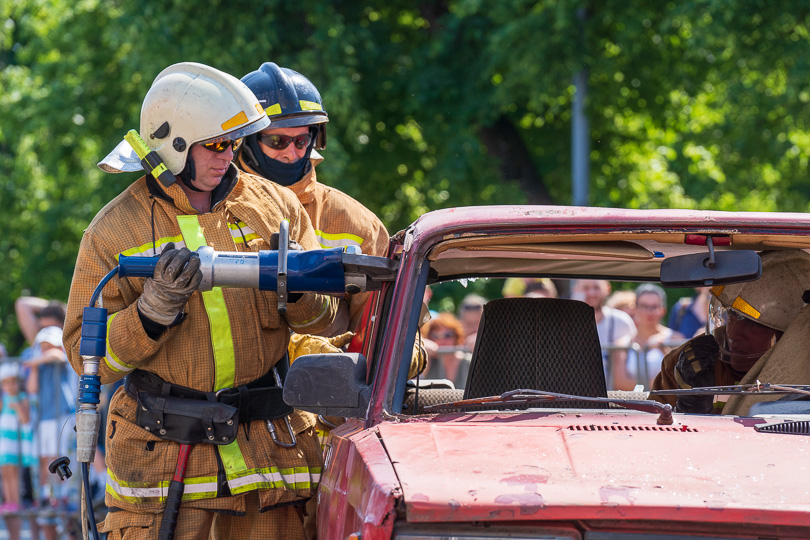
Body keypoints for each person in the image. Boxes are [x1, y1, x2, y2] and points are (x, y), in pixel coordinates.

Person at [64, 62, 340, 539]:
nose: (227, 156)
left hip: (267, 462)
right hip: (165, 463)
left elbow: (324, 317)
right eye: (215, 144)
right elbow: (87, 358)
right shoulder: (114, 230)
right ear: (174, 146)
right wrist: (150, 313)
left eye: (233, 144)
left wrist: (296, 286)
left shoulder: (276, 207)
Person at [237, 62, 389, 334]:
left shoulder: (358, 224)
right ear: (245, 141)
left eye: (301, 141)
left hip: (326, 377)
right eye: (277, 142)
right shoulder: (212, 208)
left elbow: (384, 337)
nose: (291, 154)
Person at [651, 250, 810, 414]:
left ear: (791, 335)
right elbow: (650, 430)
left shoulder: (804, 365)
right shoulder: (688, 362)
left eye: (751, 323)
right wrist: (687, 408)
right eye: (732, 315)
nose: (733, 334)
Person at [572, 279, 637, 390]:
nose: (591, 293)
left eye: (596, 288)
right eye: (586, 288)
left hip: (611, 397)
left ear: (607, 289)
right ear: (576, 290)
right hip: (575, 393)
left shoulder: (621, 321)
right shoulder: (567, 321)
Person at [626, 284, 684, 389]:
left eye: (654, 307)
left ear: (663, 310)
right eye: (644, 306)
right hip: (631, 402)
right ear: (635, 308)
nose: (649, 312)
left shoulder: (676, 339)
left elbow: (682, 377)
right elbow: (618, 381)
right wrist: (657, 385)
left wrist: (665, 351)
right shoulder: (624, 342)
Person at [0, 362, 33, 540]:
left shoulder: (21, 398)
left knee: (13, 473)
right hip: (4, 442)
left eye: (13, 382)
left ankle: (15, 501)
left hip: (16, 444)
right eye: (6, 382)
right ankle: (8, 501)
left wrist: (18, 406)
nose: (10, 386)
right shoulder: (3, 400)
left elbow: (25, 419)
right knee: (5, 472)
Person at [421, 313, 469, 389]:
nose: (442, 340)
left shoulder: (468, 361)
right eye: (435, 336)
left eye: (448, 335)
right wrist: (422, 345)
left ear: (456, 336)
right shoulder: (428, 361)